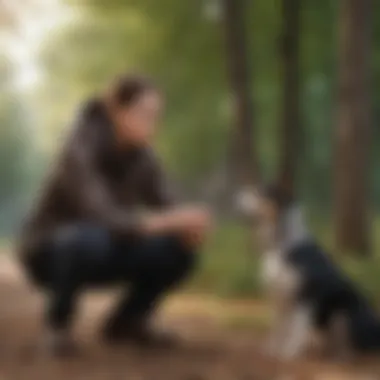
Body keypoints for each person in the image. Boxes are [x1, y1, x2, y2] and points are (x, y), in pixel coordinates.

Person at [18, 75, 211, 356]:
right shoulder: (78, 148)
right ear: (117, 111)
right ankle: (57, 328)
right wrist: (171, 221)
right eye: (144, 113)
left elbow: (168, 205)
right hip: (50, 250)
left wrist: (190, 225)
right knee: (85, 239)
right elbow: (100, 214)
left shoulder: (145, 157)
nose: (152, 123)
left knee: (178, 249)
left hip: (107, 243)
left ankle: (127, 323)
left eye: (156, 116)